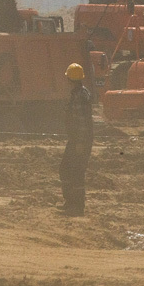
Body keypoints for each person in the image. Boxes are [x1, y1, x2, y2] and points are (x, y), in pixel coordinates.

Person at [59, 63, 94, 216]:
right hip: (77, 138)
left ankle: (77, 206)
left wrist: (80, 142)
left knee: (76, 171)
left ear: (70, 79)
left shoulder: (80, 95)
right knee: (66, 169)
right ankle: (71, 203)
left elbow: (82, 121)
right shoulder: (78, 93)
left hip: (80, 139)